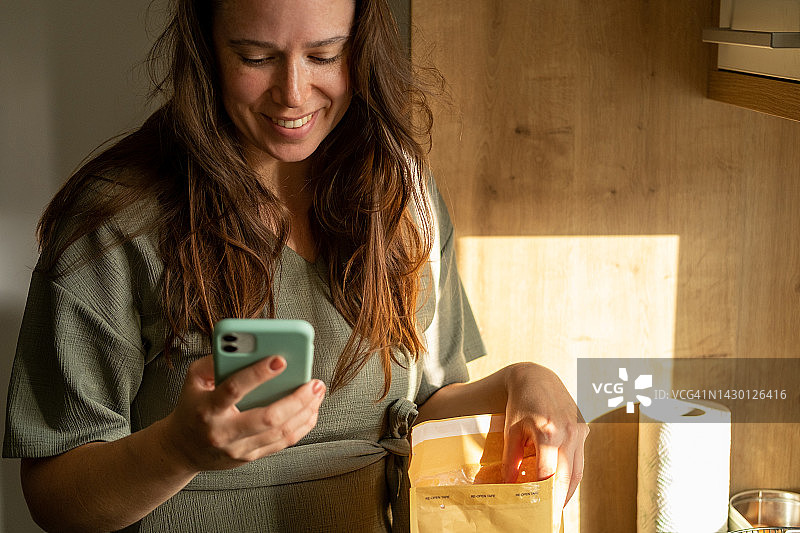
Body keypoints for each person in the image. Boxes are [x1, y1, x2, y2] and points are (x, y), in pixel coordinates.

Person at [3, 0, 588, 531]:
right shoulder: (117, 221)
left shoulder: (402, 195)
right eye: (256, 57)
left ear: (360, 48)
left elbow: (422, 403)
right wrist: (177, 450)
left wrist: (525, 382)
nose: (293, 92)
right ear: (206, 46)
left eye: (323, 56)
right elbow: (56, 498)